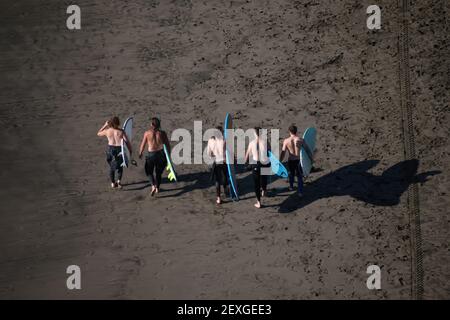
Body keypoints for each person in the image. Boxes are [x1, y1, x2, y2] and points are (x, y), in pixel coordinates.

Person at [97, 117, 132, 189]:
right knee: (120, 166)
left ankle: (113, 183)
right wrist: (130, 151)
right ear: (118, 123)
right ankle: (119, 181)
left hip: (110, 150)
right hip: (119, 150)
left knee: (111, 168)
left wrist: (105, 125)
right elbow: (127, 142)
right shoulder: (121, 131)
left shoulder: (107, 131)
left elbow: (98, 133)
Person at [139, 117, 169, 196]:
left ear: (152, 124)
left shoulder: (147, 133)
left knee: (149, 171)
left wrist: (140, 153)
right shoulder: (162, 133)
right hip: (161, 154)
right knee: (158, 173)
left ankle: (153, 185)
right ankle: (157, 188)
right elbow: (167, 145)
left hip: (151, 155)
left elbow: (143, 144)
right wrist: (168, 156)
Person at [280, 125, 313, 197]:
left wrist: (280, 161)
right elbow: (307, 150)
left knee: (291, 174)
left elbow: (283, 152)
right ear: (296, 131)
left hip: (291, 160)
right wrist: (311, 159)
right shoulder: (301, 140)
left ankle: (291, 187)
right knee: (299, 176)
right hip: (299, 161)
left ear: (289, 131)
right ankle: (300, 192)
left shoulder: (286, 141)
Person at [244, 127, 271, 208]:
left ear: (254, 133)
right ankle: (264, 191)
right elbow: (270, 152)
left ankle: (259, 202)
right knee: (264, 178)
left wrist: (246, 164)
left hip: (256, 164)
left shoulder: (252, 143)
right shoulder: (266, 141)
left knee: (256, 183)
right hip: (265, 163)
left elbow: (246, 156)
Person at [207, 126, 229, 204]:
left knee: (217, 180)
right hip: (223, 161)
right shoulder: (224, 140)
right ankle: (226, 190)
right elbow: (228, 152)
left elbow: (209, 154)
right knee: (225, 175)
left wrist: (214, 157)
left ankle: (218, 198)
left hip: (216, 162)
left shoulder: (210, 141)